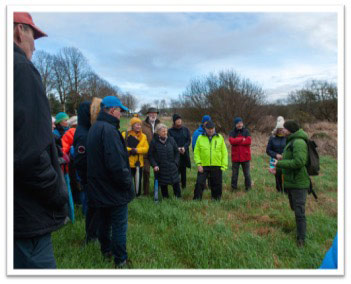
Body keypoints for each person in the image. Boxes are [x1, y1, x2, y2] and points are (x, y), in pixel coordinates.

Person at [14, 12, 68, 269]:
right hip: (24, 215)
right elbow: (30, 155)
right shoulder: (21, 70)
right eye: (32, 35)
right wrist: (58, 192)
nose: (35, 44)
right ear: (17, 31)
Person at [87, 96, 135, 268]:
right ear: (112, 110)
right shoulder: (109, 131)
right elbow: (116, 165)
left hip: (99, 188)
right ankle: (120, 260)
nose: (121, 114)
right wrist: (127, 184)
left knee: (104, 223)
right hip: (113, 189)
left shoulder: (95, 128)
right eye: (120, 110)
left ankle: (105, 251)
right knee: (119, 226)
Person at [269, 120, 310, 247]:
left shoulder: (298, 142)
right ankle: (299, 229)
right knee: (295, 209)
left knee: (299, 212)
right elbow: (288, 160)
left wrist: (279, 163)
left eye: (285, 129)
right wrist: (277, 170)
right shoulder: (291, 141)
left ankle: (301, 239)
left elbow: (299, 162)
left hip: (299, 183)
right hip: (291, 182)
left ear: (290, 130)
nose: (282, 131)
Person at [193, 121, 228, 200]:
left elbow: (224, 152)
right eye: (209, 129)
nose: (210, 130)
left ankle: (216, 199)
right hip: (203, 165)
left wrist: (224, 165)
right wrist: (198, 164)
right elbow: (196, 152)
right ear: (205, 129)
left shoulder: (220, 137)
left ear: (214, 129)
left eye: (212, 129)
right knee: (199, 183)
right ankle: (196, 200)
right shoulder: (200, 138)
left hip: (217, 165)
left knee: (216, 184)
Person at [148, 124, 181, 198]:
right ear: (158, 132)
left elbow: (177, 152)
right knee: (163, 184)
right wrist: (154, 165)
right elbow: (150, 155)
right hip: (161, 168)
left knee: (176, 182)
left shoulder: (171, 140)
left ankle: (178, 198)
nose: (165, 133)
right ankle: (166, 199)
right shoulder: (154, 142)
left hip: (172, 166)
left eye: (166, 131)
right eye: (163, 131)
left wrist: (176, 163)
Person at [122, 117, 149, 197]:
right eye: (137, 125)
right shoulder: (125, 134)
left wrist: (136, 150)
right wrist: (131, 150)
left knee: (138, 180)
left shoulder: (143, 136)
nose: (139, 126)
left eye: (140, 125)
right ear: (132, 125)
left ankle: (137, 195)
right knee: (127, 180)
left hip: (138, 163)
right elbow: (121, 147)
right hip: (128, 162)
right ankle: (128, 195)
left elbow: (146, 149)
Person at [168, 114, 191, 189]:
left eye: (180, 120)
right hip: (175, 154)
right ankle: (176, 186)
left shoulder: (185, 129)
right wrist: (176, 148)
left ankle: (184, 186)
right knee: (176, 170)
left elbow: (188, 140)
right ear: (174, 121)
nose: (179, 121)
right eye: (177, 120)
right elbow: (170, 141)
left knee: (183, 170)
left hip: (184, 152)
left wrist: (184, 147)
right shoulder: (170, 131)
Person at [229, 117, 252, 192]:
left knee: (247, 174)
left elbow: (248, 141)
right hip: (235, 157)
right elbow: (232, 141)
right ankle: (233, 188)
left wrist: (237, 141)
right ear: (235, 124)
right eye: (238, 123)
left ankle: (248, 188)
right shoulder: (232, 132)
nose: (240, 124)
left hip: (245, 157)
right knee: (234, 174)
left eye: (241, 123)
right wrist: (242, 139)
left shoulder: (246, 131)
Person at [141, 107, 161, 196]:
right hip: (146, 153)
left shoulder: (160, 124)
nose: (153, 115)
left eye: (155, 113)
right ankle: (145, 192)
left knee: (159, 172)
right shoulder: (142, 124)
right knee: (146, 172)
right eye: (151, 113)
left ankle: (158, 191)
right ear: (148, 114)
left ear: (156, 114)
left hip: (157, 153)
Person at [266, 116, 287, 193]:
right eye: (280, 130)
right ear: (277, 130)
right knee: (277, 175)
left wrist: (284, 155)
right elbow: (268, 150)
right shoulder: (272, 138)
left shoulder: (288, 137)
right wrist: (276, 155)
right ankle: (279, 190)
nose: (281, 131)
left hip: (286, 159)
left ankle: (286, 190)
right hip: (275, 160)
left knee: (286, 175)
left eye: (283, 129)